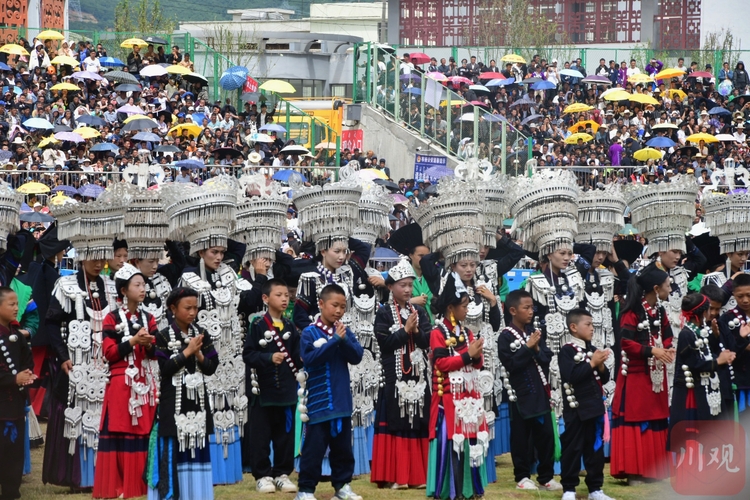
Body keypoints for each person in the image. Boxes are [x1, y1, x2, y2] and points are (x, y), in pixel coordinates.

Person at [43, 257, 117, 489]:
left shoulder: (111, 287)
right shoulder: (66, 286)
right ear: (82, 258)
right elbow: (52, 325)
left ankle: (104, 473)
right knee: (76, 413)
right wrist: (63, 356)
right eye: (93, 260)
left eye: (101, 259)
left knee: (103, 412)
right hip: (76, 363)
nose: (98, 264)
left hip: (105, 362)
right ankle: (78, 475)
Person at [93, 263, 159, 499]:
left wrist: (150, 344)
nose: (143, 289)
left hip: (145, 381)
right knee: (120, 430)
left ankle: (141, 483)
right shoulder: (111, 318)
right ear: (123, 290)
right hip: (121, 382)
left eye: (144, 284)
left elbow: (156, 353)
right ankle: (120, 485)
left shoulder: (149, 317)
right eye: (137, 285)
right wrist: (132, 341)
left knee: (143, 430)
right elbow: (109, 353)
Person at [146, 287, 219, 500]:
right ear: (173, 308)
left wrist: (199, 354)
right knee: (173, 447)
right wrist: (188, 352)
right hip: (173, 402)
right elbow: (165, 369)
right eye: (187, 308)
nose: (192, 312)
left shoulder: (201, 333)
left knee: (197, 446)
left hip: (197, 402)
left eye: (195, 308)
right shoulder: (161, 335)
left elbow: (212, 367)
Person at [295, 284, 364, 500]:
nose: (338, 311)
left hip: (341, 401)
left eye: (343, 307)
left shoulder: (343, 331)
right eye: (335, 305)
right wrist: (334, 341)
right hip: (318, 402)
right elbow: (310, 359)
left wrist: (341, 341)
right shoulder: (308, 332)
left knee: (343, 449)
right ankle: (305, 490)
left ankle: (342, 487)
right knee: (314, 449)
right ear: (321, 304)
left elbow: (357, 356)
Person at [426, 272, 488, 500]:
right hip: (448, 401)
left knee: (471, 443)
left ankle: (470, 489)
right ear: (451, 308)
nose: (467, 310)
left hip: (468, 399)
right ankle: (450, 490)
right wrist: (468, 356)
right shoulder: (437, 333)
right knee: (452, 444)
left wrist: (477, 354)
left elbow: (478, 363)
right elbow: (441, 363)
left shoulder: (467, 332)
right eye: (464, 306)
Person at [610, 263, 674, 484]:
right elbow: (626, 343)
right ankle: (633, 470)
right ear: (656, 288)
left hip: (655, 374)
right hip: (636, 374)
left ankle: (652, 469)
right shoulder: (632, 311)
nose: (670, 289)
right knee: (635, 418)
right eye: (668, 285)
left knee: (656, 417)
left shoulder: (661, 310)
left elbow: (667, 334)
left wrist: (664, 348)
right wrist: (653, 350)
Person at [370, 257, 431, 489]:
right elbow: (384, 344)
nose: (407, 289)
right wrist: (406, 331)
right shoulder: (384, 313)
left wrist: (415, 331)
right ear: (390, 287)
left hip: (418, 376)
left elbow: (427, 343)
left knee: (418, 420)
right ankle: (397, 475)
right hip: (395, 378)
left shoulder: (421, 313)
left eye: (409, 285)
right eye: (402, 285)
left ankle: (417, 476)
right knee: (396, 421)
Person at [497, 290, 560, 491]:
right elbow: (511, 364)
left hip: (540, 394)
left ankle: (546, 476)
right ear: (513, 310)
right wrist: (527, 348)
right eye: (526, 307)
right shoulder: (505, 336)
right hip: (520, 395)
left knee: (546, 437)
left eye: (532, 307)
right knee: (521, 438)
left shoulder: (533, 331)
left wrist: (535, 348)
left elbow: (546, 357)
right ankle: (522, 476)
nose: (531, 311)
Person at [243, 278, 301, 494]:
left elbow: (296, 357)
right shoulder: (257, 325)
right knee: (260, 435)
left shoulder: (290, 326)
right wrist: (268, 358)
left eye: (286, 295)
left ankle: (282, 473)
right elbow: (248, 354)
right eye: (279, 295)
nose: (284, 299)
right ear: (266, 298)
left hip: (286, 391)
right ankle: (263, 475)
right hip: (263, 392)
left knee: (285, 435)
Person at [668, 293, 736, 452]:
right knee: (695, 435)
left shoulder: (700, 331)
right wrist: (718, 361)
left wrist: (722, 358)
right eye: (709, 309)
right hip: (692, 393)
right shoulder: (686, 334)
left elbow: (704, 356)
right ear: (703, 312)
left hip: (704, 389)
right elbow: (692, 363)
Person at [558, 309, 614, 500]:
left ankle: (595, 489)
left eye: (592, 324)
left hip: (595, 409)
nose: (592, 328)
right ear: (574, 327)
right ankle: (569, 489)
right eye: (588, 324)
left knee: (595, 451)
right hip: (576, 410)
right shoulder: (567, 350)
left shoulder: (592, 349)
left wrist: (599, 365)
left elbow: (604, 378)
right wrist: (592, 363)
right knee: (572, 449)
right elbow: (571, 376)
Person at [0, 287, 35, 500]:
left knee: (13, 454)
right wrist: (13, 379)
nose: (16, 308)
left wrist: (26, 374)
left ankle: (11, 493)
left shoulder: (17, 334)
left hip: (15, 406)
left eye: (16, 304)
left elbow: (27, 360)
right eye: (11, 304)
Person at [719, 273, 750, 414]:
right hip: (741, 377)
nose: (745, 300)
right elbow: (729, 349)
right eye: (740, 296)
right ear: (733, 295)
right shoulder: (727, 319)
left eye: (749, 295)